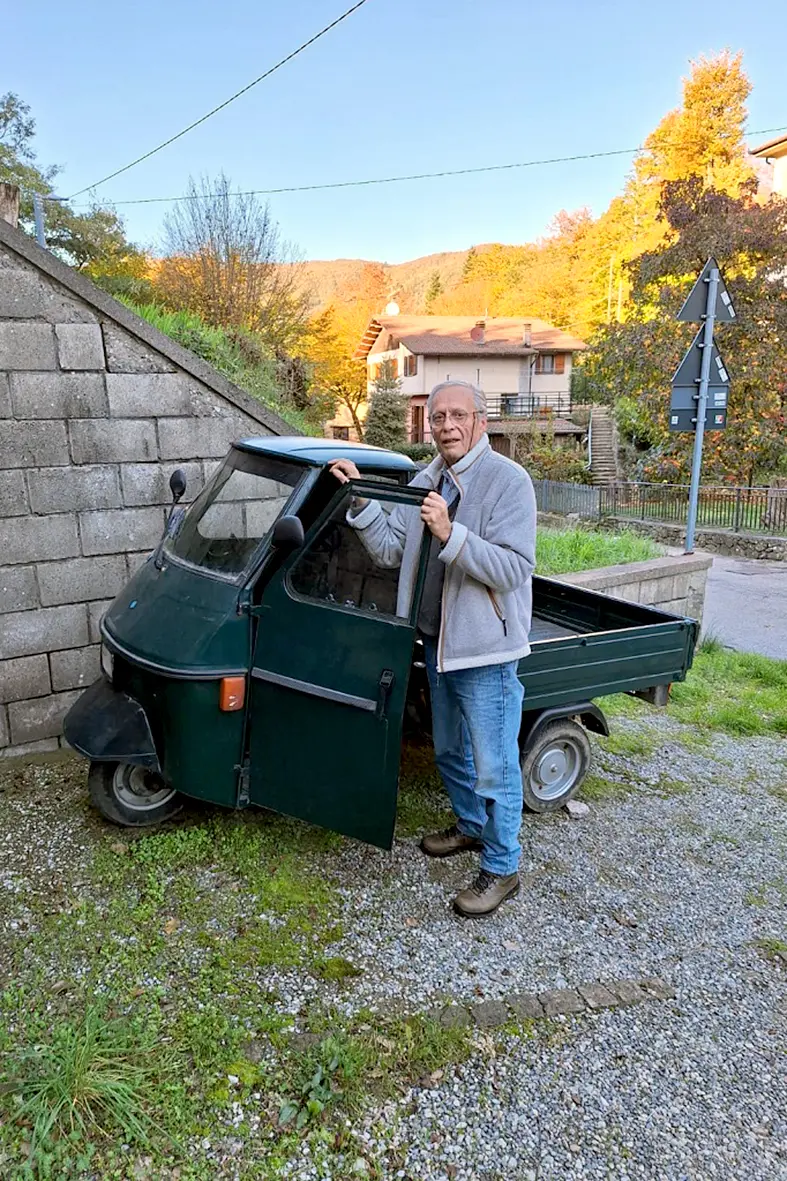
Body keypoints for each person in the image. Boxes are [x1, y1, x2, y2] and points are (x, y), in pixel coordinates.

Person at [330, 379, 537, 917]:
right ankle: (471, 828)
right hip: (438, 644)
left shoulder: (509, 482)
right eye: (437, 417)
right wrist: (361, 499)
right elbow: (392, 551)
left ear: (480, 421)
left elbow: (515, 569)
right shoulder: (430, 478)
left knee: (494, 766)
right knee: (449, 750)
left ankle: (502, 864)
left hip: (486, 652)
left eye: (456, 416)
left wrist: (452, 535)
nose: (445, 425)